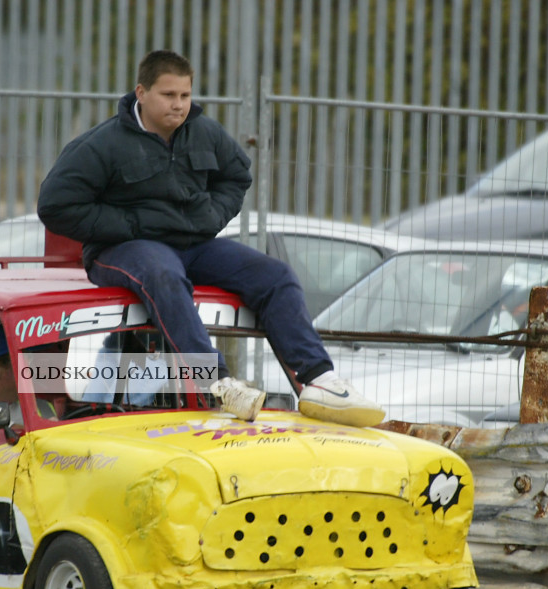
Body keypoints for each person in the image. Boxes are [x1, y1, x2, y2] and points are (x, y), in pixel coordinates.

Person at [36, 50, 384, 427]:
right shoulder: (102, 144)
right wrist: (130, 225)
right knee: (164, 276)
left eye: (185, 95)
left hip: (193, 245)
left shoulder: (204, 132)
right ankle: (216, 383)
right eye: (168, 95)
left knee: (274, 275)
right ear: (141, 92)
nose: (179, 105)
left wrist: (211, 217)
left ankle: (319, 380)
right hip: (122, 250)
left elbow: (237, 176)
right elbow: (55, 205)